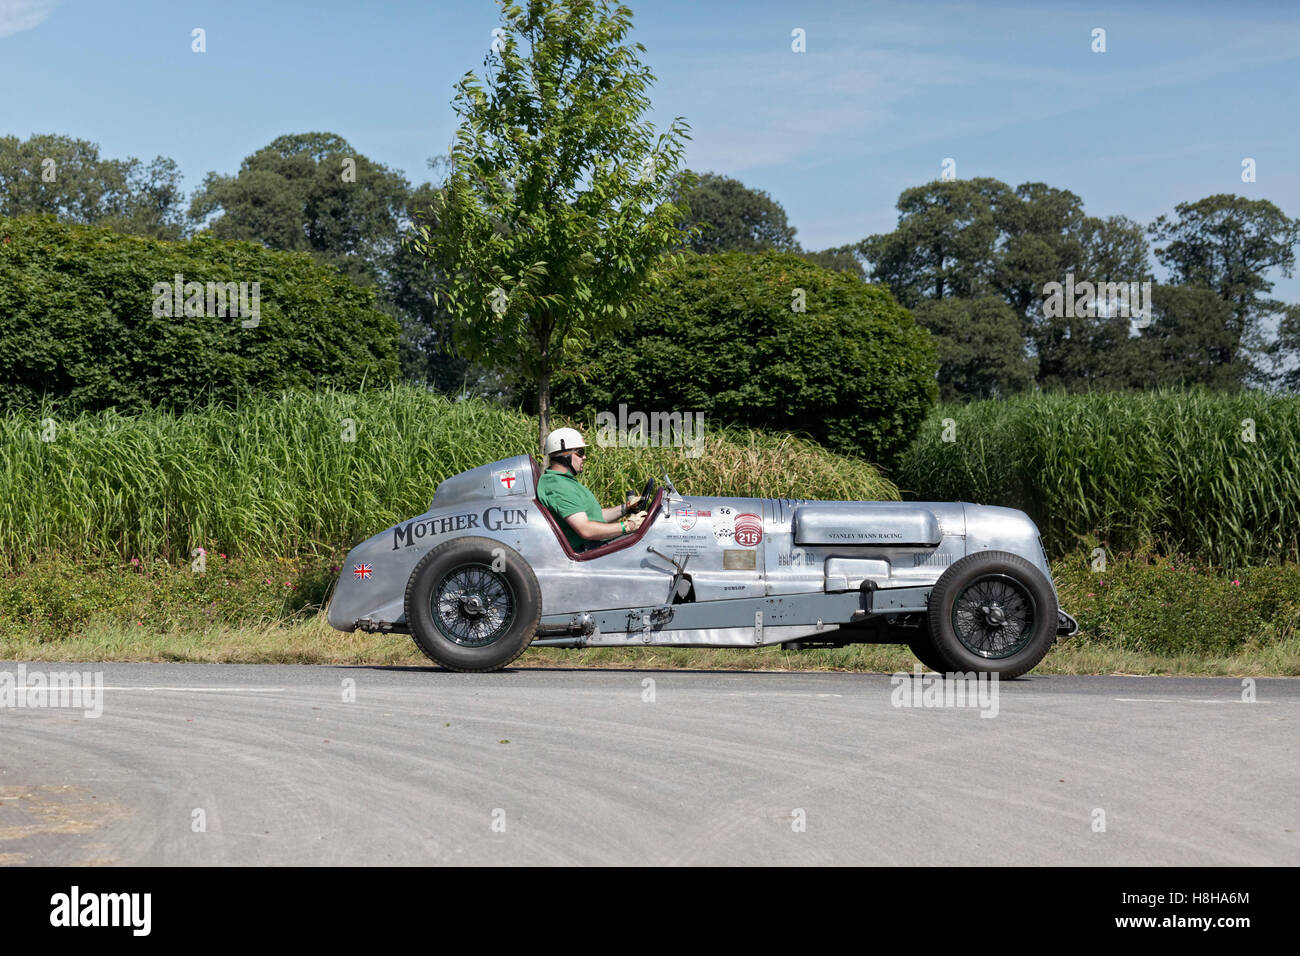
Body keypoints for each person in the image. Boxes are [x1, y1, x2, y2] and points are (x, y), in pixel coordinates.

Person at [537, 427, 648, 552]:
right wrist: (629, 526)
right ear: (564, 454)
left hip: (593, 545)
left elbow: (595, 516)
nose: (584, 457)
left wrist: (626, 508)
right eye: (580, 452)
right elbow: (586, 529)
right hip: (588, 550)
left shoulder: (565, 481)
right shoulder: (557, 485)